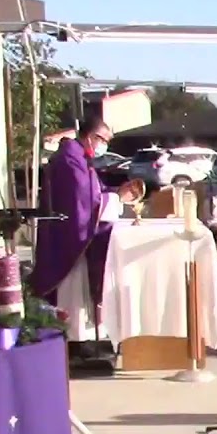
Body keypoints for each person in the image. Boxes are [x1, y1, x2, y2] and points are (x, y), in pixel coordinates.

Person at [28, 116, 142, 369]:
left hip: (77, 238)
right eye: (104, 140)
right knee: (73, 293)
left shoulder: (80, 157)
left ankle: (82, 340)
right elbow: (82, 203)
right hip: (70, 240)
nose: (104, 146)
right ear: (91, 135)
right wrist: (117, 200)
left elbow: (93, 194)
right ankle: (74, 343)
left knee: (79, 294)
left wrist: (113, 195)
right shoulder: (71, 159)